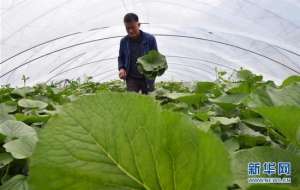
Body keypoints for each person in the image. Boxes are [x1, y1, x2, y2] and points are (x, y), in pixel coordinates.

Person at [118, 13, 158, 94]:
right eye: (127, 28)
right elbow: (121, 57)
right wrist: (121, 68)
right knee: (132, 101)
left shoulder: (150, 39)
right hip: (131, 77)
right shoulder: (124, 41)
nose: (130, 31)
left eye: (133, 27)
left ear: (138, 25)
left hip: (147, 77)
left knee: (148, 101)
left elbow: (156, 58)